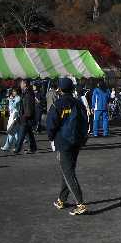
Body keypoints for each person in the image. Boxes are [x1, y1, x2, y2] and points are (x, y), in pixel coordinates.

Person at [49, 78, 89, 216]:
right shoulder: (78, 103)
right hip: (77, 141)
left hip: (63, 141)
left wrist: (51, 137)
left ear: (60, 89)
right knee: (67, 169)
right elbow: (85, 121)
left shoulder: (58, 104)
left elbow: (51, 124)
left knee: (68, 172)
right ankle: (62, 199)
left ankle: (80, 203)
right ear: (72, 89)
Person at [15, 79, 37, 154]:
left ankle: (17, 148)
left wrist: (25, 115)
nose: (20, 85)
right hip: (26, 116)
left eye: (21, 83)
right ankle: (33, 148)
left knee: (21, 134)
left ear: (25, 84)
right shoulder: (26, 93)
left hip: (26, 117)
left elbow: (28, 106)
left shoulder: (28, 94)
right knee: (29, 133)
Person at [1, 88, 22, 152]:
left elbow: (14, 106)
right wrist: (11, 100)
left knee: (11, 131)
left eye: (14, 91)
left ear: (17, 92)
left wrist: (10, 100)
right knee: (16, 133)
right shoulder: (15, 98)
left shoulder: (18, 98)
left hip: (15, 116)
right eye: (12, 91)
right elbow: (11, 107)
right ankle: (16, 146)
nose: (13, 92)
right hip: (13, 116)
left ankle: (7, 146)